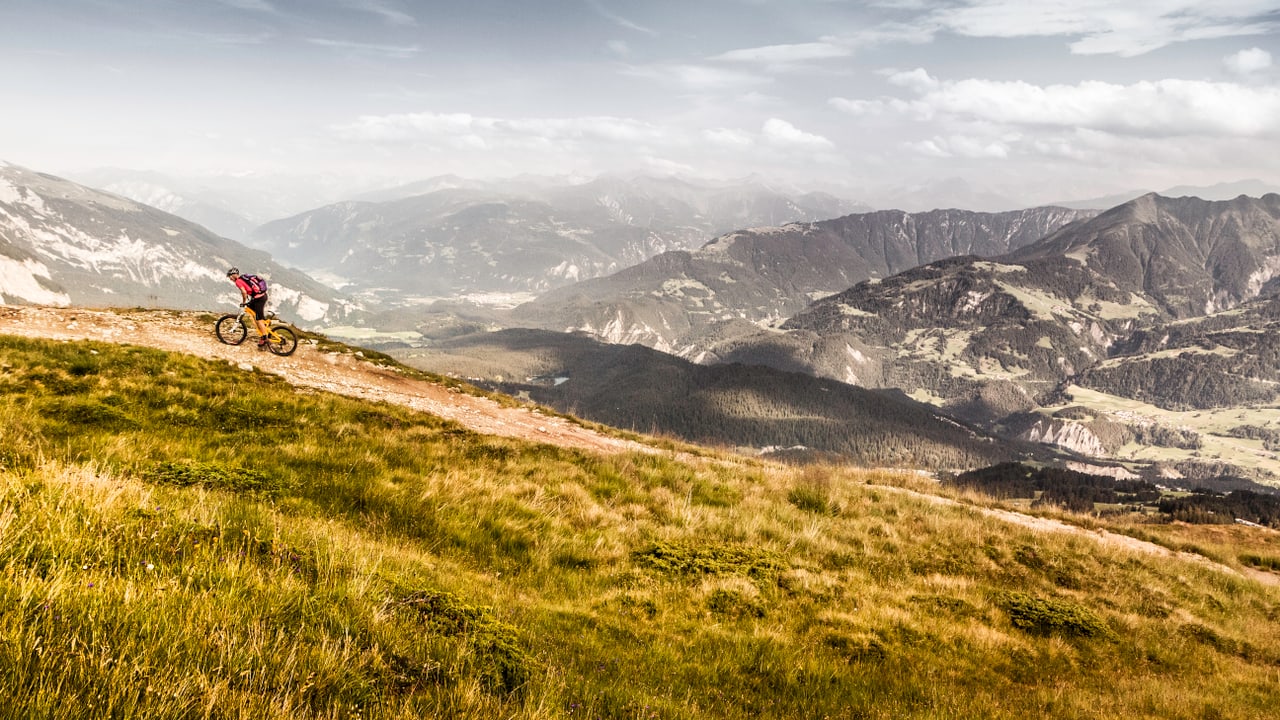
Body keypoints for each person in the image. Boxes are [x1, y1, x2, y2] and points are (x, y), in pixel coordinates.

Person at [226, 267, 270, 349]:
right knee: (250, 308)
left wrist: (243, 302)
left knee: (258, 319)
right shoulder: (244, 277)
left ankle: (265, 338)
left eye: (230, 277)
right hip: (261, 296)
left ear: (234, 275)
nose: (230, 279)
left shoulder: (238, 282)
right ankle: (264, 325)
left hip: (259, 299)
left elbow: (244, 292)